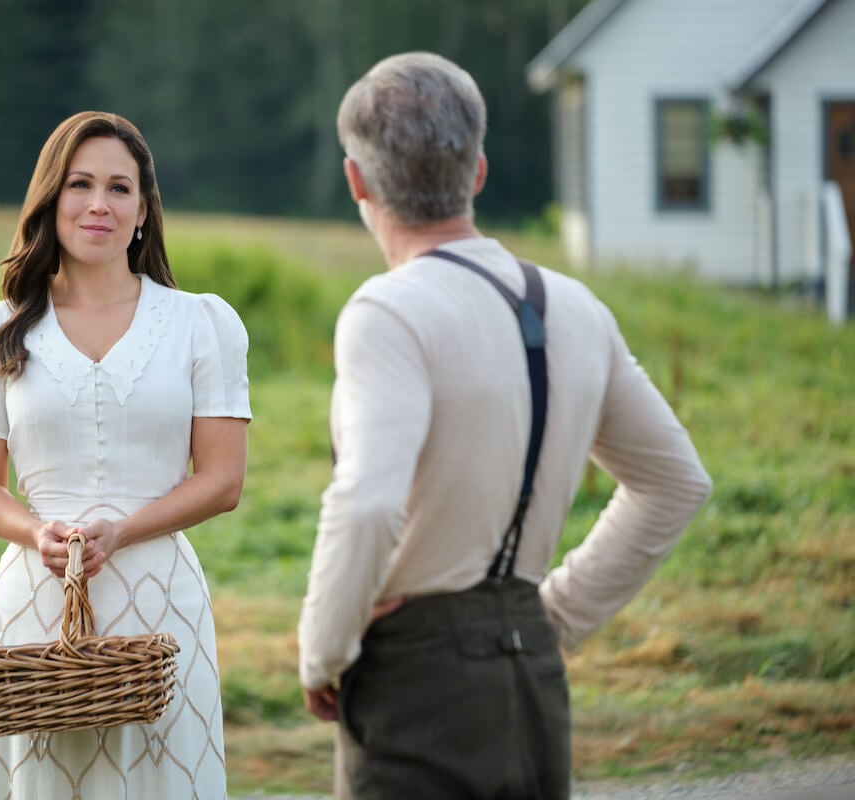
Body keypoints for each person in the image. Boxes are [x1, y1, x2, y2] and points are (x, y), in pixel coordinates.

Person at [297, 52, 712, 799]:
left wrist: (321, 653)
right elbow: (676, 482)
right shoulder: (578, 309)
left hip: (414, 675)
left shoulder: (386, 312)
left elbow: (366, 504)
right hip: (534, 673)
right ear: (479, 172)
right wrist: (554, 612)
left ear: (357, 181)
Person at [0, 110, 250, 799]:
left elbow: (224, 479)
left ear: (143, 210)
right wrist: (35, 532)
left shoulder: (201, 323)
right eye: (80, 184)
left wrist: (125, 529)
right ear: (51, 200)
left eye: (120, 188)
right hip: (36, 601)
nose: (98, 205)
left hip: (161, 599)